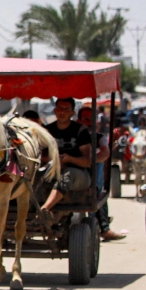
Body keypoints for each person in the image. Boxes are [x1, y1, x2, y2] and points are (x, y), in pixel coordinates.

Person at [76, 106, 126, 241]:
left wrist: (89, 161)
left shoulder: (98, 137)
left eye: (92, 119)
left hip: (90, 174)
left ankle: (104, 227)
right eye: (86, 119)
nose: (89, 122)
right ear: (78, 120)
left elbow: (105, 152)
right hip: (72, 172)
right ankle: (103, 227)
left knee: (98, 168)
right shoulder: (72, 135)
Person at [41, 98, 93, 213]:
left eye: (66, 109)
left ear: (72, 113)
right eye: (59, 108)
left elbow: (87, 161)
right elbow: (39, 156)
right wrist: (54, 161)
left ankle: (45, 209)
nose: (62, 112)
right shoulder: (47, 130)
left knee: (67, 175)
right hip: (52, 171)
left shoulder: (80, 131)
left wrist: (69, 159)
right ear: (54, 110)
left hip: (79, 176)